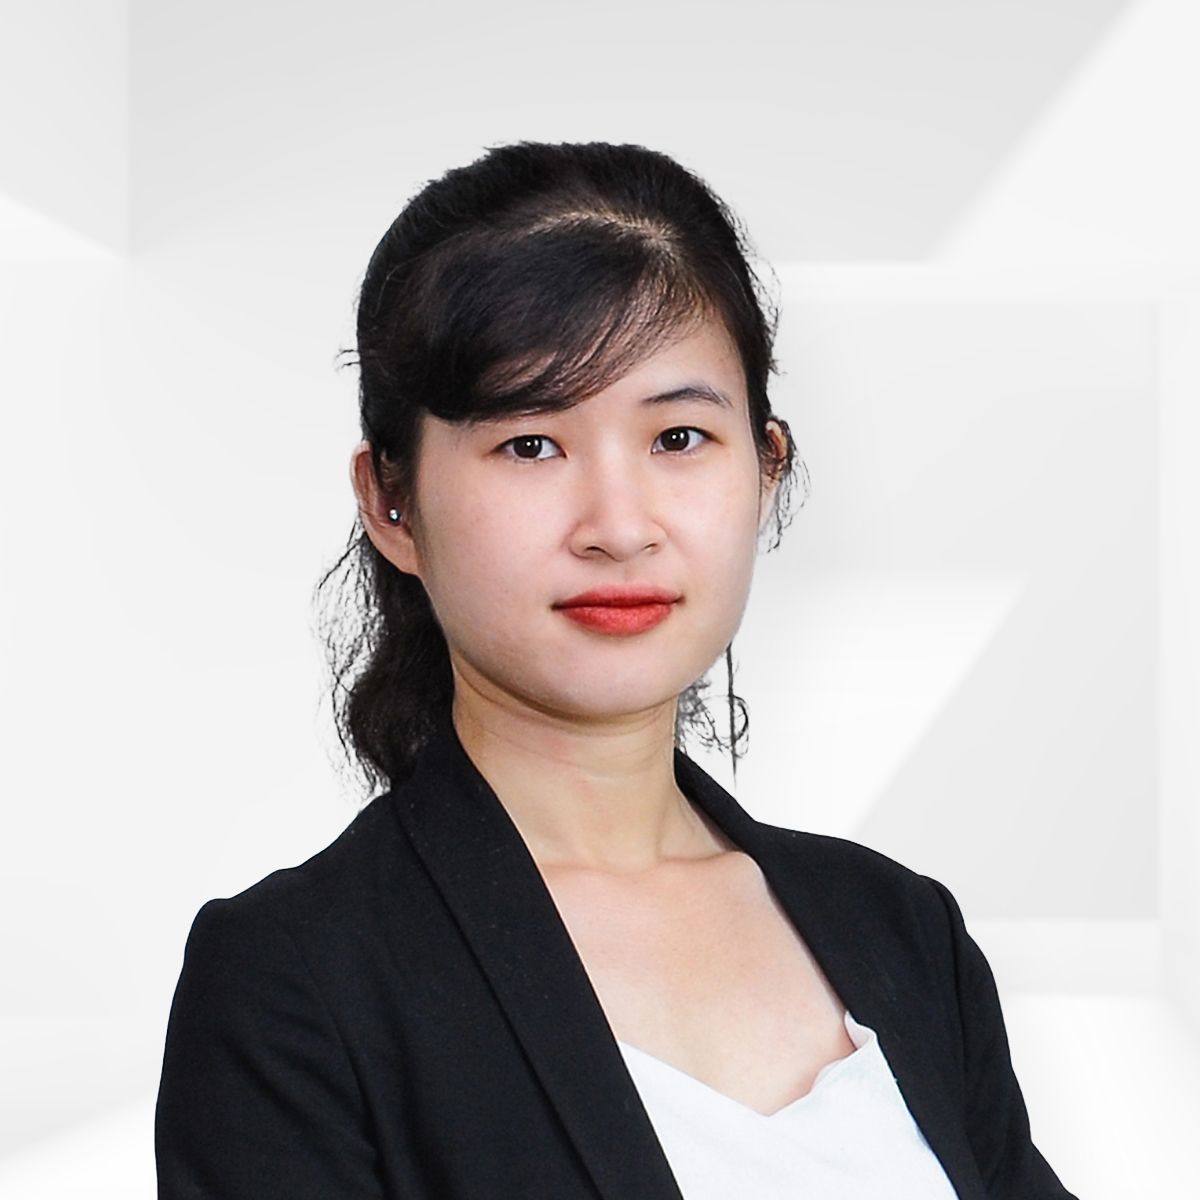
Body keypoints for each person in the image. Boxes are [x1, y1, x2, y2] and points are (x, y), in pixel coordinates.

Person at [154, 140, 1078, 1199]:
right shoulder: (298, 980)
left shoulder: (904, 932)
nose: (619, 525)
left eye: (678, 437)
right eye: (531, 444)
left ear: (767, 467)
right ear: (391, 502)